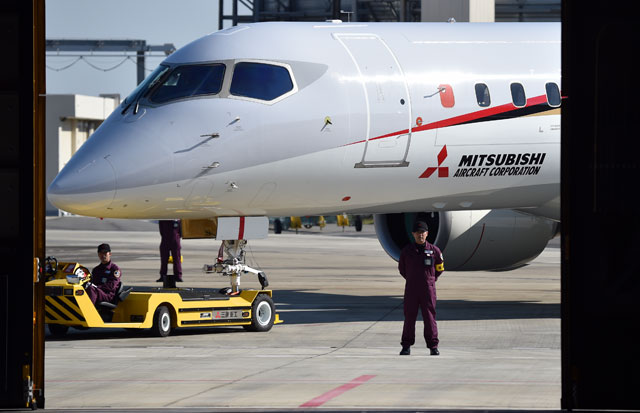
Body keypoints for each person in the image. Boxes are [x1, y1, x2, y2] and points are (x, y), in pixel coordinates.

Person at [398, 221, 444, 356]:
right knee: (409, 318)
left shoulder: (435, 251)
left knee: (429, 318)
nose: (420, 235)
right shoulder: (407, 251)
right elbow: (402, 269)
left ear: (427, 233)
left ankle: (433, 346)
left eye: (423, 232)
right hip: (411, 289)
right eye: (418, 233)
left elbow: (440, 268)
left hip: (428, 290)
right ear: (413, 234)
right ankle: (406, 346)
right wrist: (413, 279)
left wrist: (430, 280)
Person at [156, 219, 182, 287]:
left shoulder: (177, 219)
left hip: (173, 240)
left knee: (176, 259)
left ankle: (178, 276)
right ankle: (163, 276)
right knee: (164, 260)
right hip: (168, 239)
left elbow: (180, 230)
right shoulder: (164, 219)